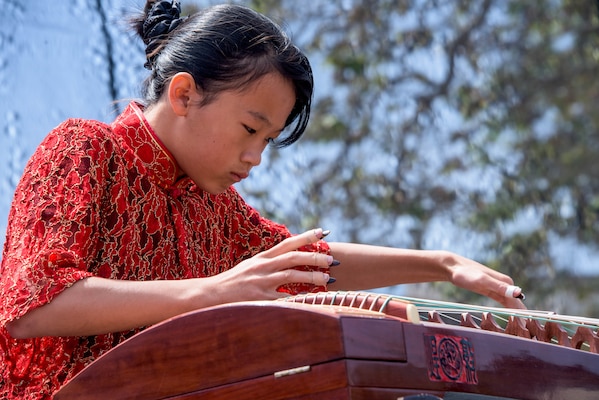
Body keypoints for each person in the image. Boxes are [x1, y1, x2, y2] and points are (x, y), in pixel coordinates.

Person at [0, 1, 525, 398]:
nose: (255, 157)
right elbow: (33, 305)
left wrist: (443, 263)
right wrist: (211, 292)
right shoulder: (86, 150)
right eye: (250, 128)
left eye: (267, 141)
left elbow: (311, 265)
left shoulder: (214, 206)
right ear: (184, 95)